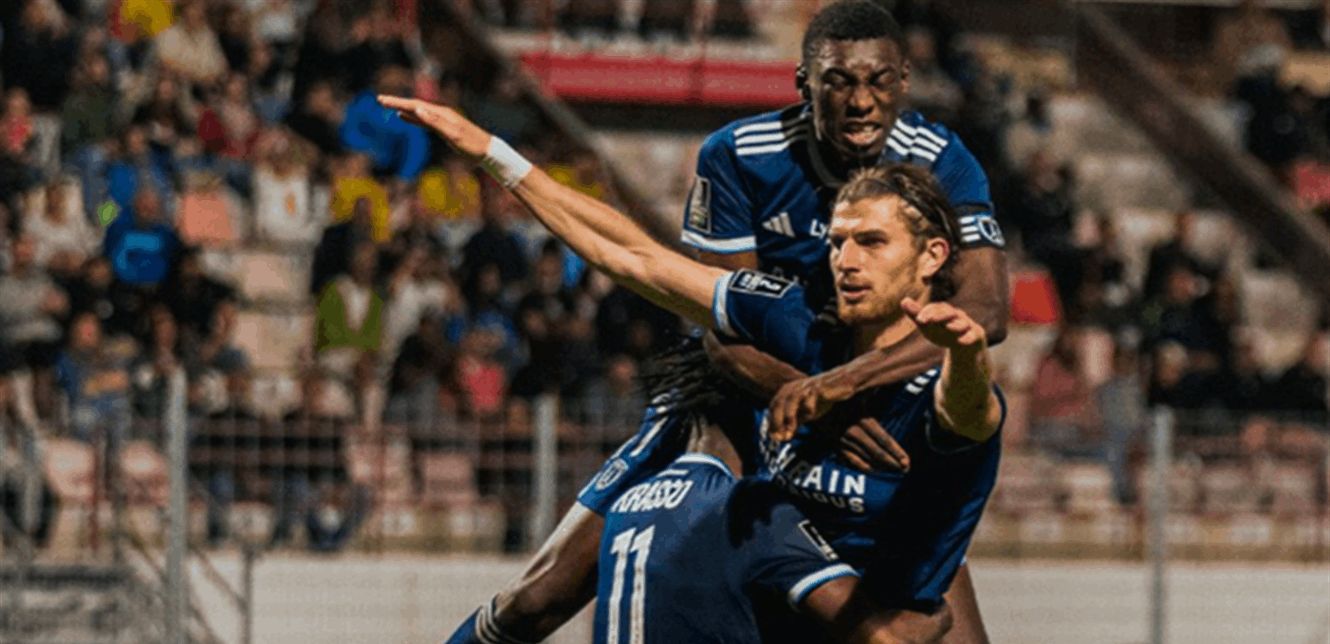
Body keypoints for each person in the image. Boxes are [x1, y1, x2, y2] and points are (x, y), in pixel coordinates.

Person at [444, 1, 1010, 641]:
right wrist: (498, 156)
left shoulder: (943, 160)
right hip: (749, 391)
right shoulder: (744, 161)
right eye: (839, 82)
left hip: (866, 393)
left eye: (879, 82)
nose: (861, 102)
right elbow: (702, 319)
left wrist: (843, 385)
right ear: (805, 84)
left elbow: (982, 316)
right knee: (543, 596)